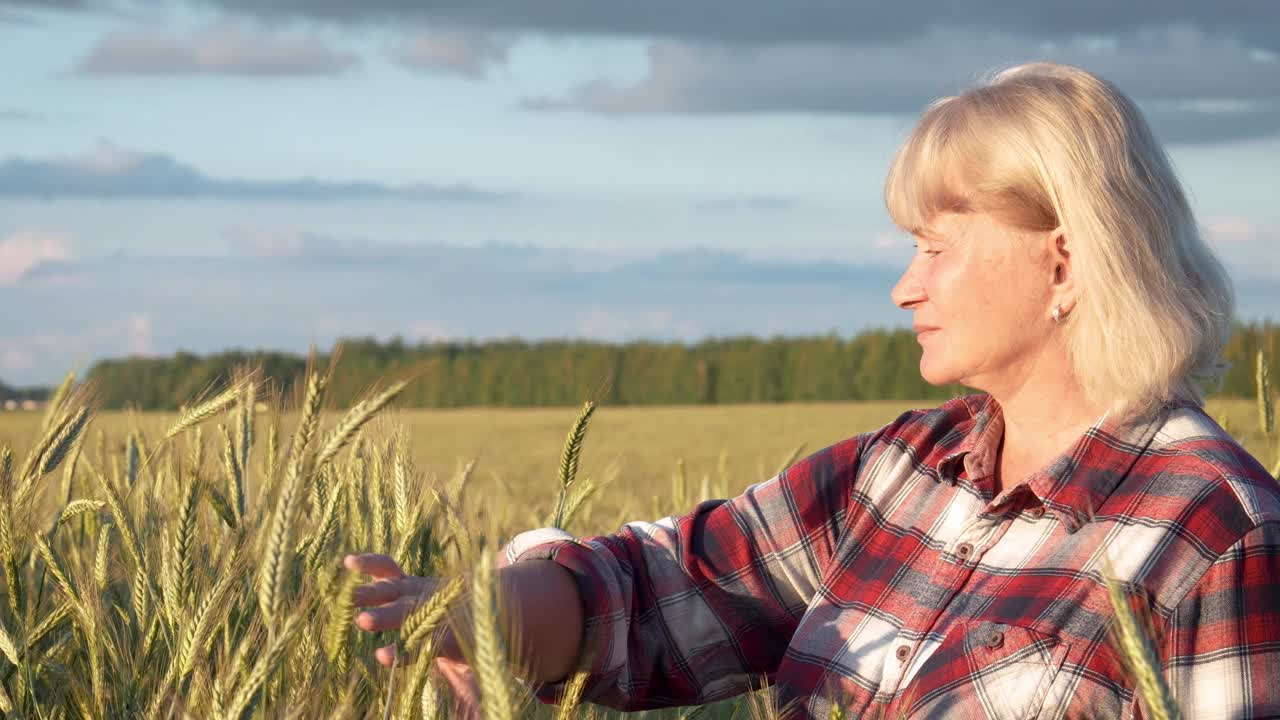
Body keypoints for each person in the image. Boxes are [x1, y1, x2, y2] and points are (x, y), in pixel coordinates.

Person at [345, 61, 1280, 719]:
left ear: (1064, 262)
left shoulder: (1216, 534)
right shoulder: (904, 472)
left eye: (936, 248)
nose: (906, 286)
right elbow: (663, 589)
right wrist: (473, 616)